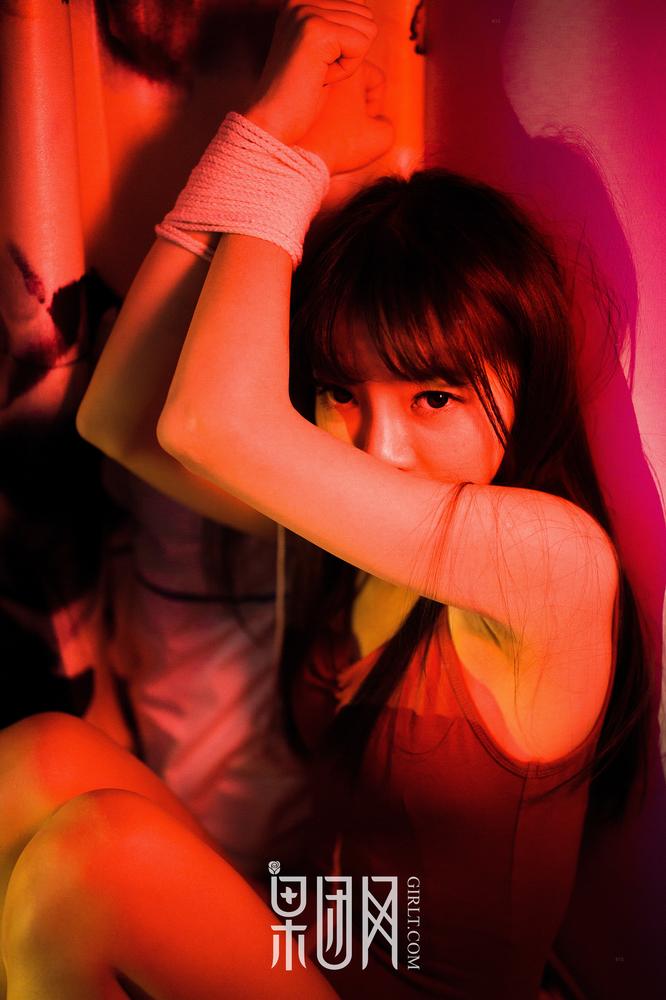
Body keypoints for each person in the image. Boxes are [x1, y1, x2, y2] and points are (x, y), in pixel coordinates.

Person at [0, 1, 651, 997]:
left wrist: (284, 144)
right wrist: (272, 141)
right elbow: (118, 421)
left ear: (528, 384)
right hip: (330, 950)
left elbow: (210, 423)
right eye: (344, 393)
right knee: (39, 755)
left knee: (88, 872)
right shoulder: (355, 533)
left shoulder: (552, 563)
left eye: (434, 397)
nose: (379, 448)